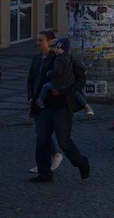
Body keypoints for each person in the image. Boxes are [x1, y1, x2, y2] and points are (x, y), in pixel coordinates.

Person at [31, 34, 91, 184]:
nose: (52, 48)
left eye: (53, 45)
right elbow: (36, 80)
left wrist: (63, 91)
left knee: (64, 142)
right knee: (42, 139)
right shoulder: (44, 60)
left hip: (63, 107)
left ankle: (81, 162)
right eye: (51, 45)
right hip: (46, 107)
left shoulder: (69, 59)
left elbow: (80, 82)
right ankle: (44, 173)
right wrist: (33, 99)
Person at [26, 31, 64, 175]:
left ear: (49, 42)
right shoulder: (36, 59)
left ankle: (50, 159)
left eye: (41, 40)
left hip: (48, 101)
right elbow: (30, 79)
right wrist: (30, 97)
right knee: (40, 132)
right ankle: (50, 158)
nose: (38, 43)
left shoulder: (55, 59)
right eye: (37, 40)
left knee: (42, 133)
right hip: (36, 100)